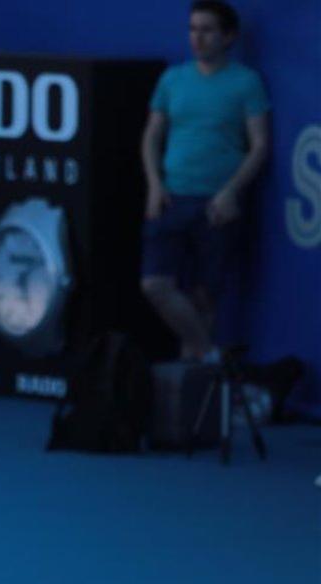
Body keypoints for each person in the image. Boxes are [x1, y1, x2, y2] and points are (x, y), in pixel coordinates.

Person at [139, 0, 269, 361]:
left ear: (228, 37)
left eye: (207, 30)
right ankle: (210, 353)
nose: (198, 38)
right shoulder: (173, 79)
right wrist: (154, 184)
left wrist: (230, 193)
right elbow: (152, 136)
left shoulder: (246, 82)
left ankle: (196, 398)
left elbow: (259, 146)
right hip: (170, 199)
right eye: (193, 29)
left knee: (204, 298)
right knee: (155, 285)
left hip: (216, 204)